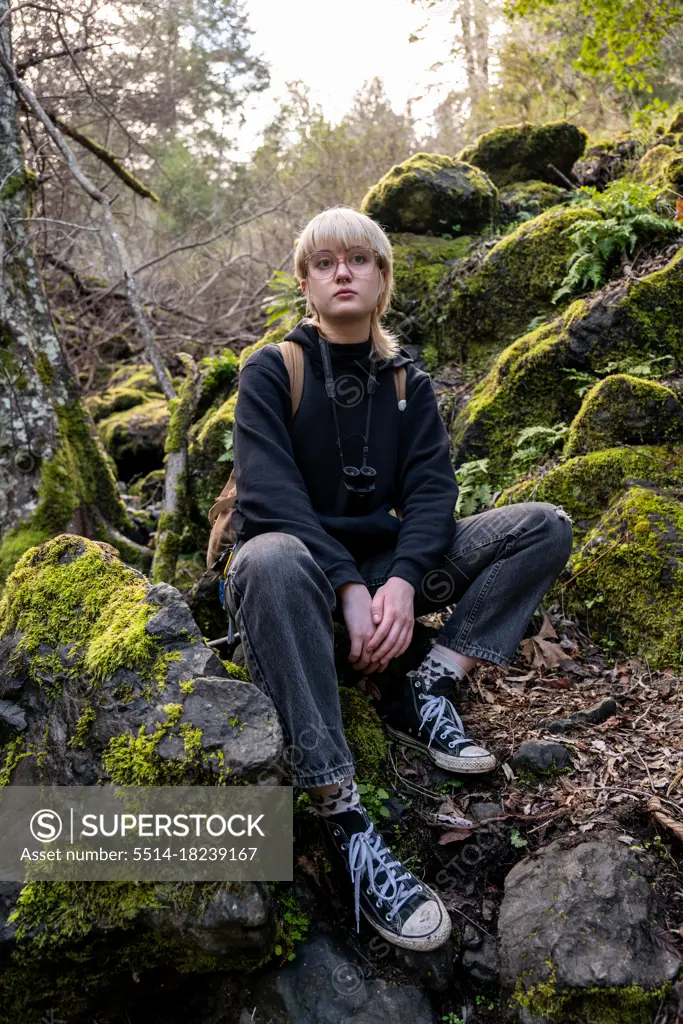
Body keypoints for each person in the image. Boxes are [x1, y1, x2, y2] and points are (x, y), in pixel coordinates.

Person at [222, 205, 574, 952]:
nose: (341, 271)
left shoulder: (406, 382)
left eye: (357, 259)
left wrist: (403, 582)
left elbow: (430, 494)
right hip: (301, 585)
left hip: (387, 581)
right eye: (324, 262)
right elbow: (268, 499)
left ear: (382, 277)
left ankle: (434, 682)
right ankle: (344, 813)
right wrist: (351, 586)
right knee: (270, 555)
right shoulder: (270, 370)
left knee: (542, 525)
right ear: (306, 282)